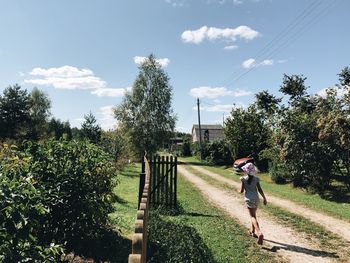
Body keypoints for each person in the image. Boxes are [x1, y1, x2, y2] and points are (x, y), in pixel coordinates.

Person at [239, 162, 267, 245]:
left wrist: (237, 190)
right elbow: (260, 189)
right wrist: (264, 198)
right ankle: (252, 231)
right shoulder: (256, 179)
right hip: (256, 199)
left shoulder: (243, 179)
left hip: (249, 199)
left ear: (246, 171)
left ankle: (259, 233)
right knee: (254, 215)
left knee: (252, 217)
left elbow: (241, 191)